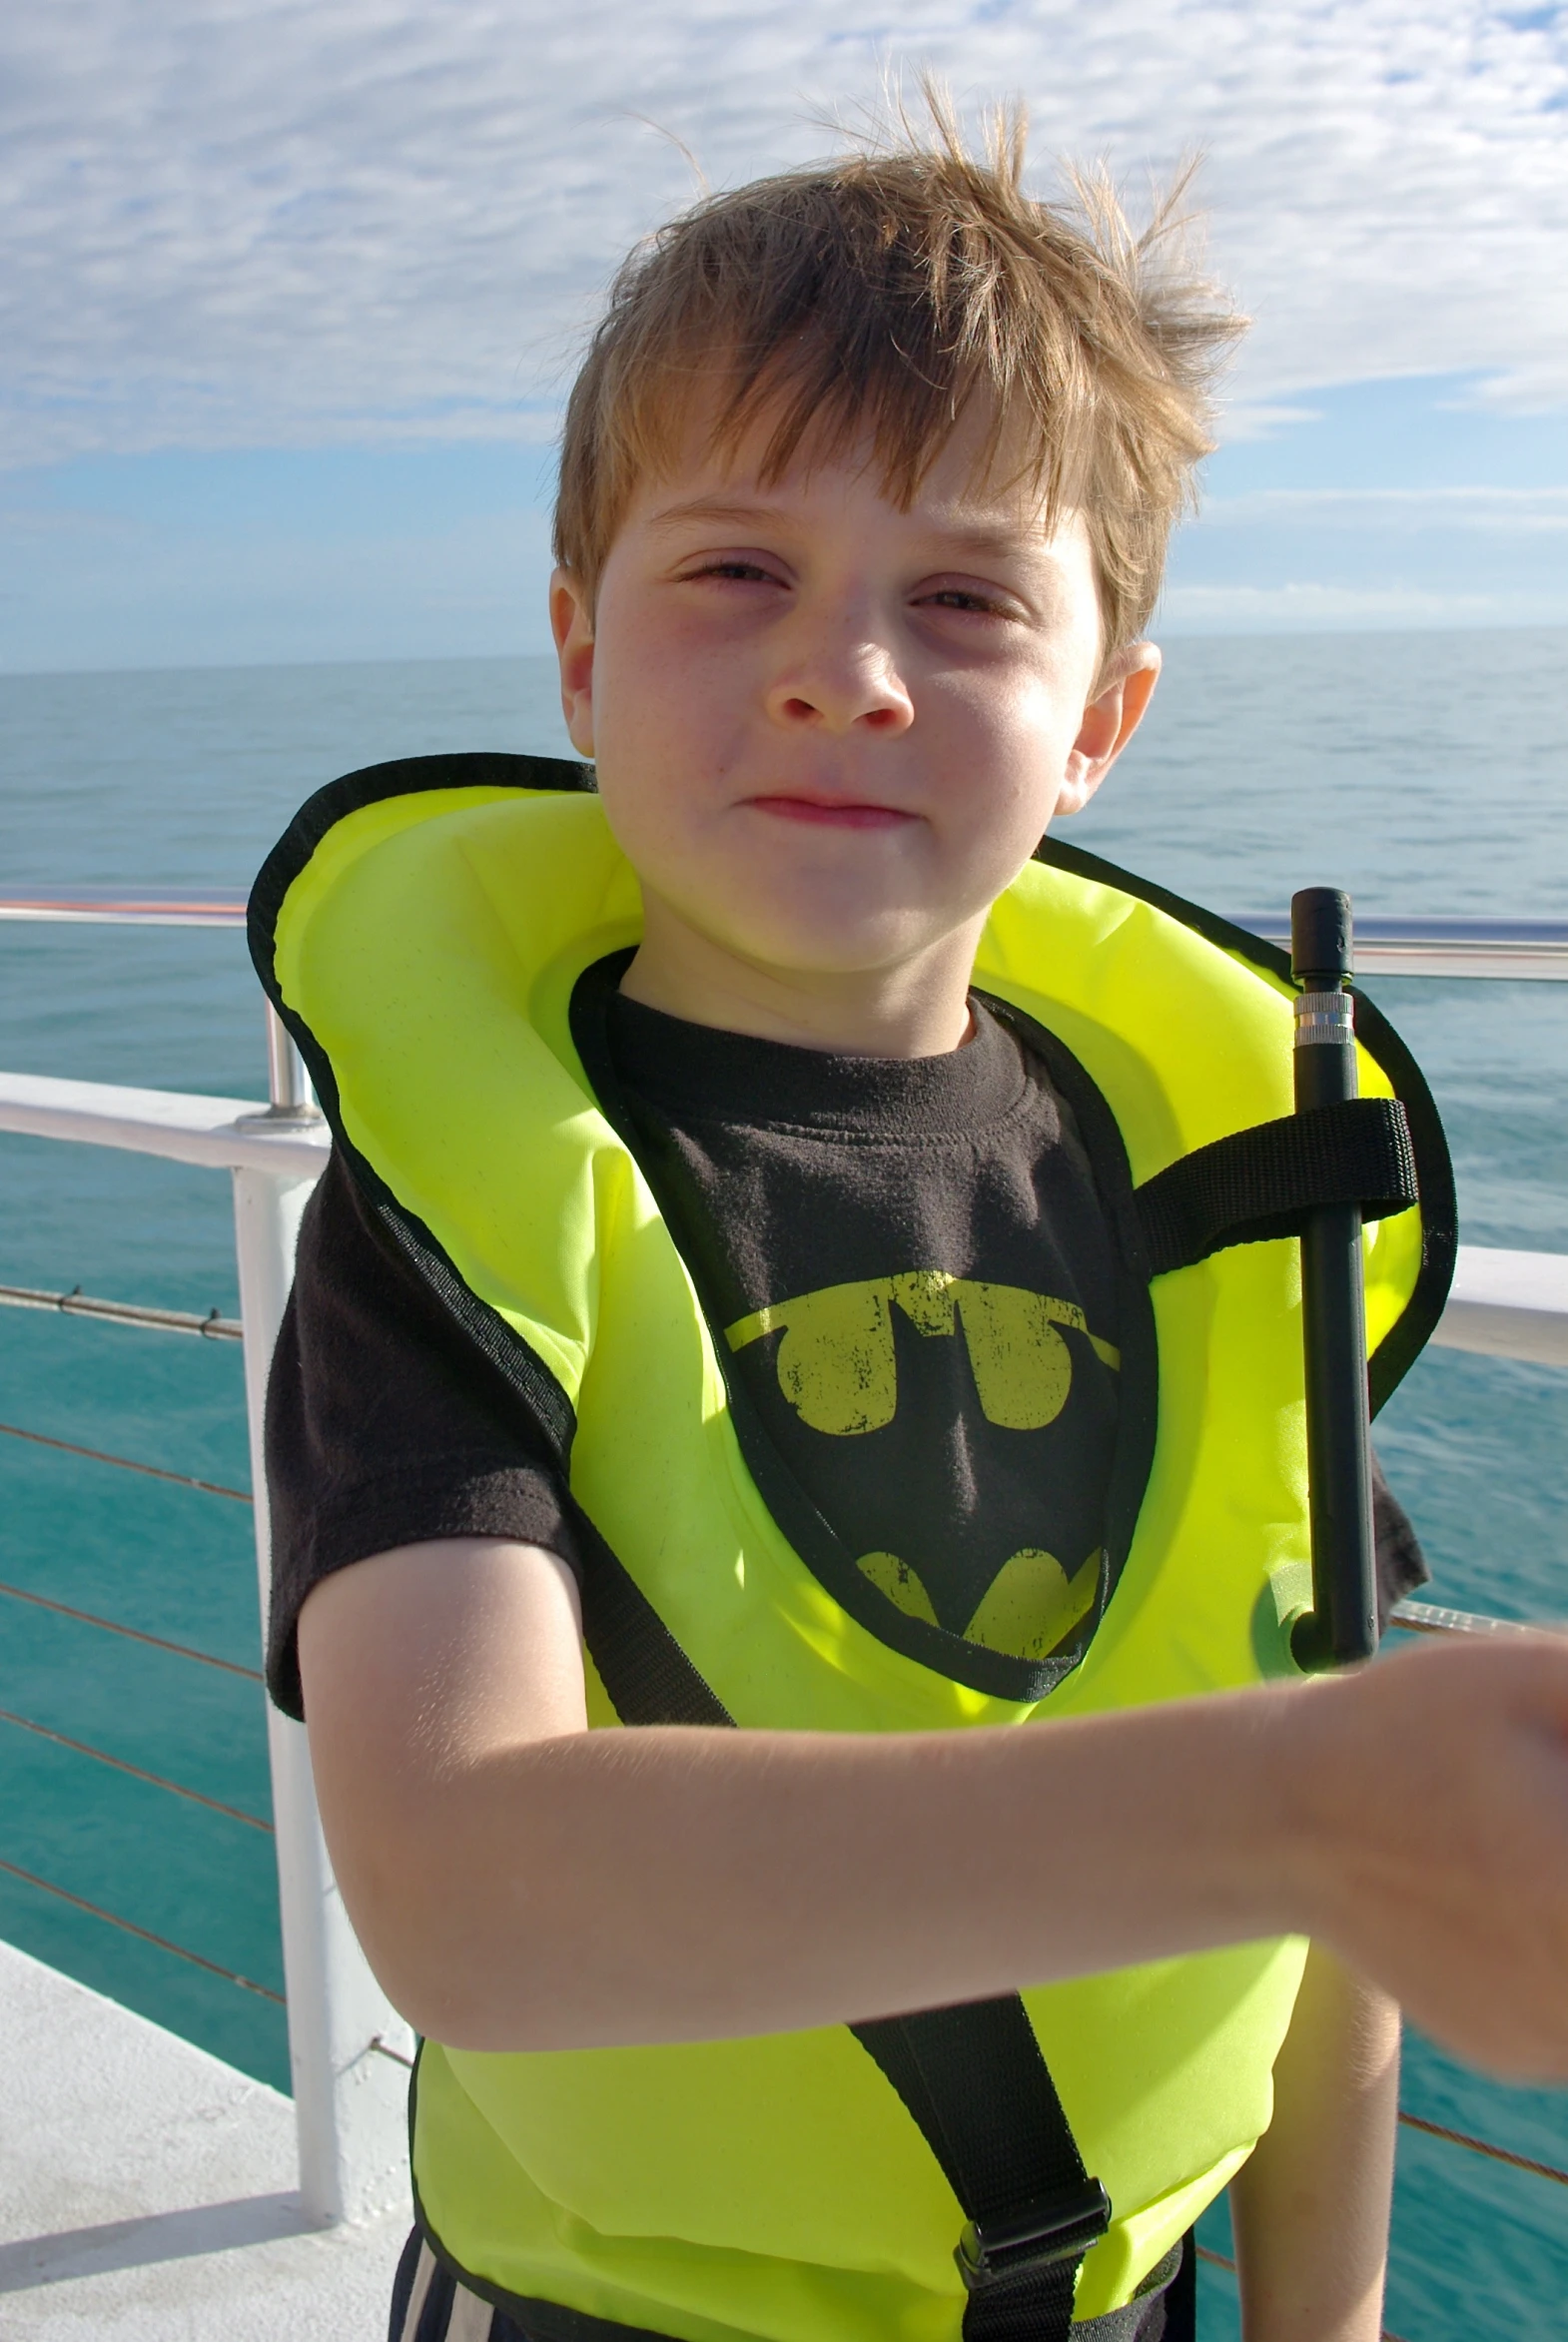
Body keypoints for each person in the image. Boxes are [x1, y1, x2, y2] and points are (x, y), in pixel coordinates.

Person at [250, 109, 1568, 2342]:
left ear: (1097, 722)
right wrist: (1292, 1805)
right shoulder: (452, 1220)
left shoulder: (1222, 1201)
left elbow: (1321, 1929)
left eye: (962, 598)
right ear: (576, 654)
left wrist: (1321, 2316)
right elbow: (466, 1893)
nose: (844, 669)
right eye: (734, 572)